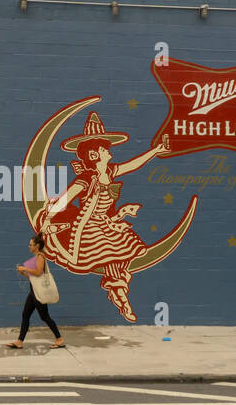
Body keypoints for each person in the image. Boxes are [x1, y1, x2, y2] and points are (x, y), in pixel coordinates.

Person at [36, 111, 170, 322]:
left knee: (126, 249)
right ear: (93, 155)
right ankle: (120, 297)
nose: (109, 152)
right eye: (104, 149)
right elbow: (65, 198)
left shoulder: (110, 171)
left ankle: (118, 292)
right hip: (88, 227)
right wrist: (48, 219)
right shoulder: (86, 178)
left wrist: (155, 151)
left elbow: (133, 164)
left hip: (106, 224)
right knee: (111, 253)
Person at [6, 232, 64, 349]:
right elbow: (34, 277)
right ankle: (19, 341)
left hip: (38, 292)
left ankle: (59, 338)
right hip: (34, 291)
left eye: (31, 244)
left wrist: (25, 268)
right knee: (25, 314)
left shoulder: (40, 257)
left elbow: (38, 272)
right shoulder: (36, 257)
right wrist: (24, 273)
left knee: (44, 316)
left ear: (37, 246)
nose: (29, 246)